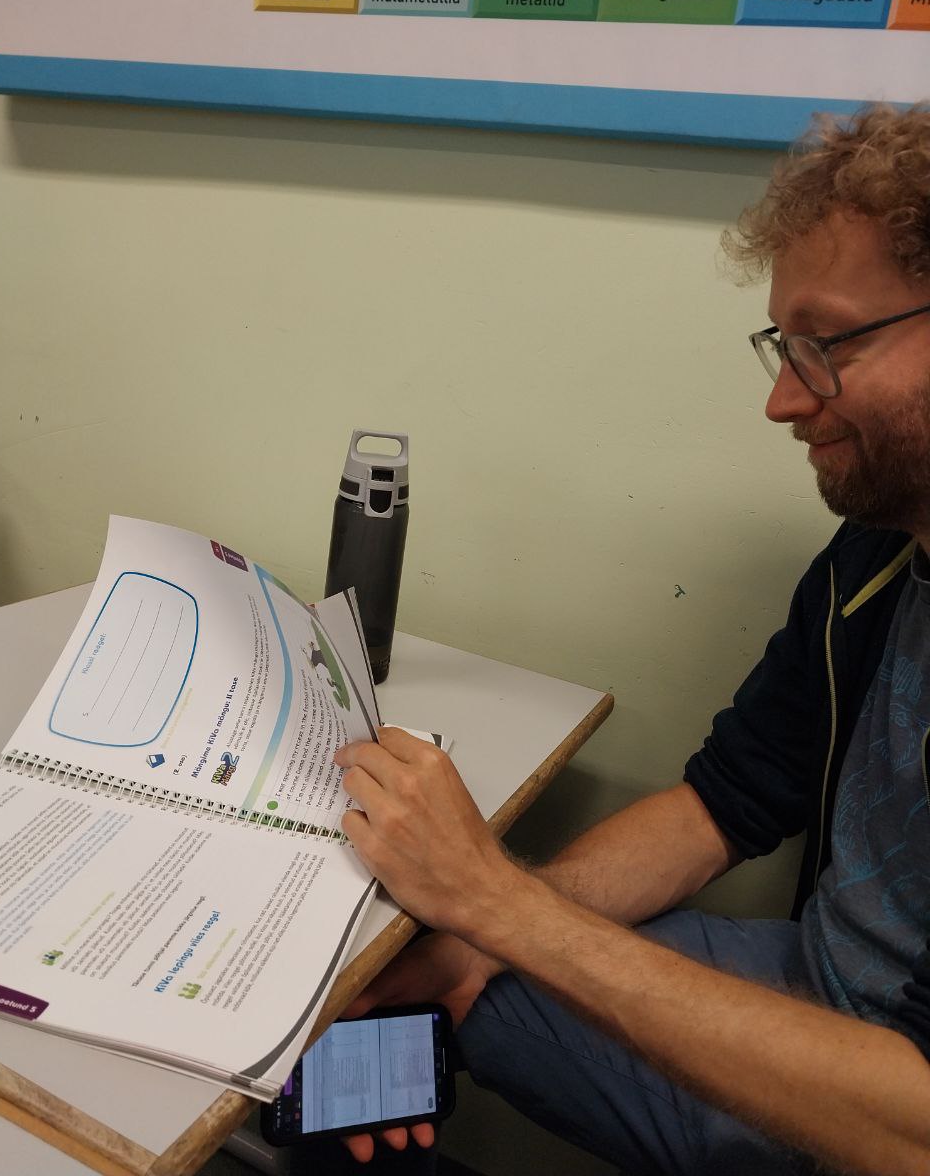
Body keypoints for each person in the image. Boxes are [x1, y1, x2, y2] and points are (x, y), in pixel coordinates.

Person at [333, 103, 930, 1176]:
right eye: (782, 347)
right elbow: (723, 802)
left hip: (889, 1104)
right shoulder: (882, 555)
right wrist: (476, 938)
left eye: (828, 343)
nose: (783, 402)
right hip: (818, 980)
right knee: (390, 994)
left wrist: (499, 902)